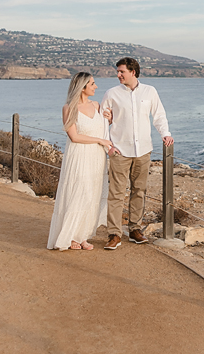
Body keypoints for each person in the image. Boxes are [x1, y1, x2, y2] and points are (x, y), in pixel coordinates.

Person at [101, 57, 174, 250]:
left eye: (122, 71)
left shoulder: (150, 91)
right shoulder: (111, 93)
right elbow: (102, 121)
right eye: (118, 71)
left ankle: (135, 229)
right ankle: (114, 234)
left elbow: (159, 115)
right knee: (116, 194)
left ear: (133, 72)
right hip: (119, 150)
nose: (118, 75)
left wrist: (165, 134)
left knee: (139, 191)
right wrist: (108, 145)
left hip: (143, 150)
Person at [47, 73, 113, 251]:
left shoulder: (97, 105)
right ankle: (71, 236)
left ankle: (83, 235)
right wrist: (100, 141)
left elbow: (103, 129)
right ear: (82, 87)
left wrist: (109, 119)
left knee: (92, 195)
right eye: (92, 83)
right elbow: (74, 136)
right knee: (79, 194)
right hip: (79, 157)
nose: (96, 87)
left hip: (97, 158)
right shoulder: (69, 108)